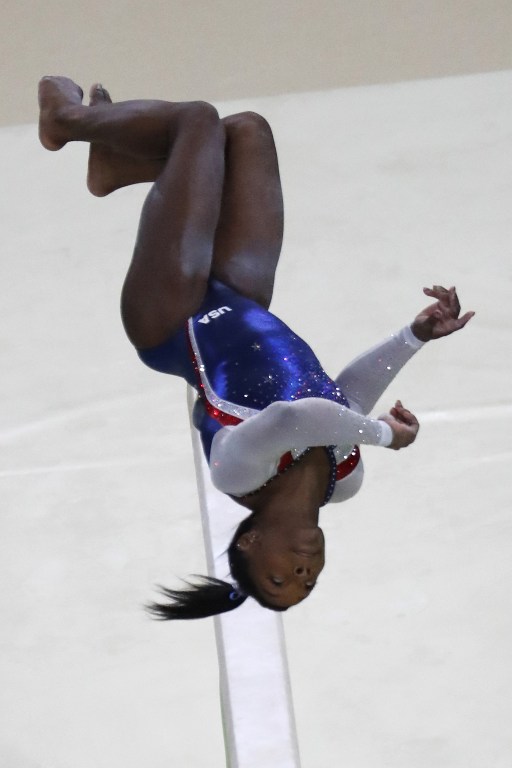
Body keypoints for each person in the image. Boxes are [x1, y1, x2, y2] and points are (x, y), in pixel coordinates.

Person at [38, 76, 474, 619]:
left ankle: (66, 123)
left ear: (247, 543)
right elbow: (341, 399)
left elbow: (297, 417)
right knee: (245, 133)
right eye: (307, 582)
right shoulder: (344, 481)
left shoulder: (239, 474)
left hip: (171, 318)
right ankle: (120, 166)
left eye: (279, 577)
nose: (301, 569)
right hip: (243, 298)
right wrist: (414, 336)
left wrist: (385, 435)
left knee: (196, 122)